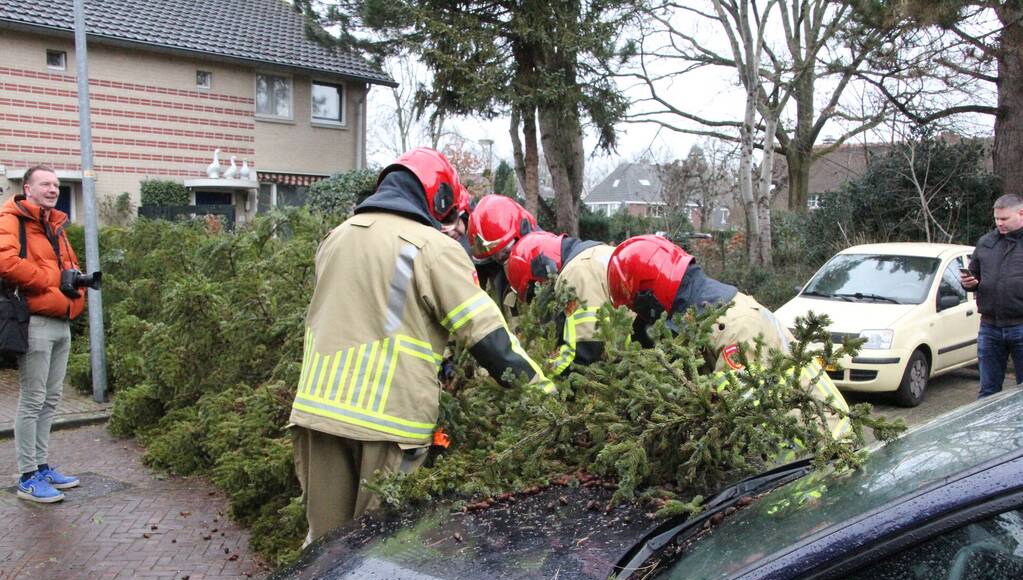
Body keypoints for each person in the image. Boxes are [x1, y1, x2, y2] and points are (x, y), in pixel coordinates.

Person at [289, 148, 554, 543]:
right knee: (377, 550)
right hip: (388, 422)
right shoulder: (433, 248)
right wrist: (545, 397)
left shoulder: (335, 238)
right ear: (440, 198)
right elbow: (487, 336)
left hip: (317, 413)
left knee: (324, 548)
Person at [606, 234, 850, 439]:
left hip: (817, 445)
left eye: (637, 307)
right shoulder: (699, 316)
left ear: (652, 294)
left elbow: (737, 414)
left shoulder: (736, 327)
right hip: (779, 443)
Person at [0, 166, 86, 503]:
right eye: (45, 184)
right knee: (33, 399)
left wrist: (77, 286)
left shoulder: (54, 223)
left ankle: (41, 466)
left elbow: (69, 266)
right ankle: (27, 477)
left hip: (61, 319)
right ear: (27, 188)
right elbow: (6, 262)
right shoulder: (11, 218)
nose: (53, 190)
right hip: (34, 320)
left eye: (56, 185)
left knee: (51, 398)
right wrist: (52, 282)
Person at [505, 231, 617, 375]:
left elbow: (585, 353)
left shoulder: (575, 273)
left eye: (535, 293)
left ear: (542, 274)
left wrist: (540, 373)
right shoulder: (596, 253)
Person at [960, 193, 1023, 398]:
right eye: (996, 218)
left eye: (1004, 219)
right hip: (990, 327)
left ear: (1021, 213)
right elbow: (974, 275)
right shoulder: (986, 243)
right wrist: (969, 283)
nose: (999, 223)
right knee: (988, 391)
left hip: (1020, 325)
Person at [467, 195, 541, 317]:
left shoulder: (550, 268)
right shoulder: (495, 280)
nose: (504, 262)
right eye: (495, 258)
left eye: (506, 254)